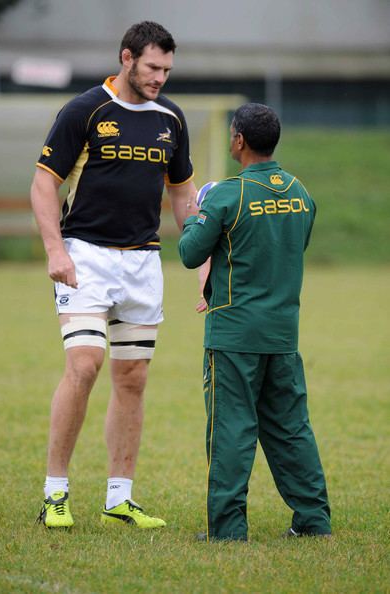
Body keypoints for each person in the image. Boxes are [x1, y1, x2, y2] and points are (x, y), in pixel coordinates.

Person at [31, 21, 198, 529]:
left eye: (167, 69)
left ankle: (118, 500)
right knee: (84, 366)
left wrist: (202, 259)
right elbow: (43, 186)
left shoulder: (171, 116)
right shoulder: (85, 110)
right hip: (86, 257)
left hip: (143, 263)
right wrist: (55, 250)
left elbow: (183, 195)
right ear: (127, 58)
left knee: (133, 377)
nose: (160, 78)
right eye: (152, 67)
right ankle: (55, 493)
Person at [178, 103, 331, 542]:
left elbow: (191, 254)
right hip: (283, 335)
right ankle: (313, 520)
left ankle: (227, 529)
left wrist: (195, 213)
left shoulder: (228, 194)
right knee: (290, 427)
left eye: (231, 134)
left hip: (233, 334)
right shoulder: (301, 193)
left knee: (231, 427)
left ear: (240, 140)